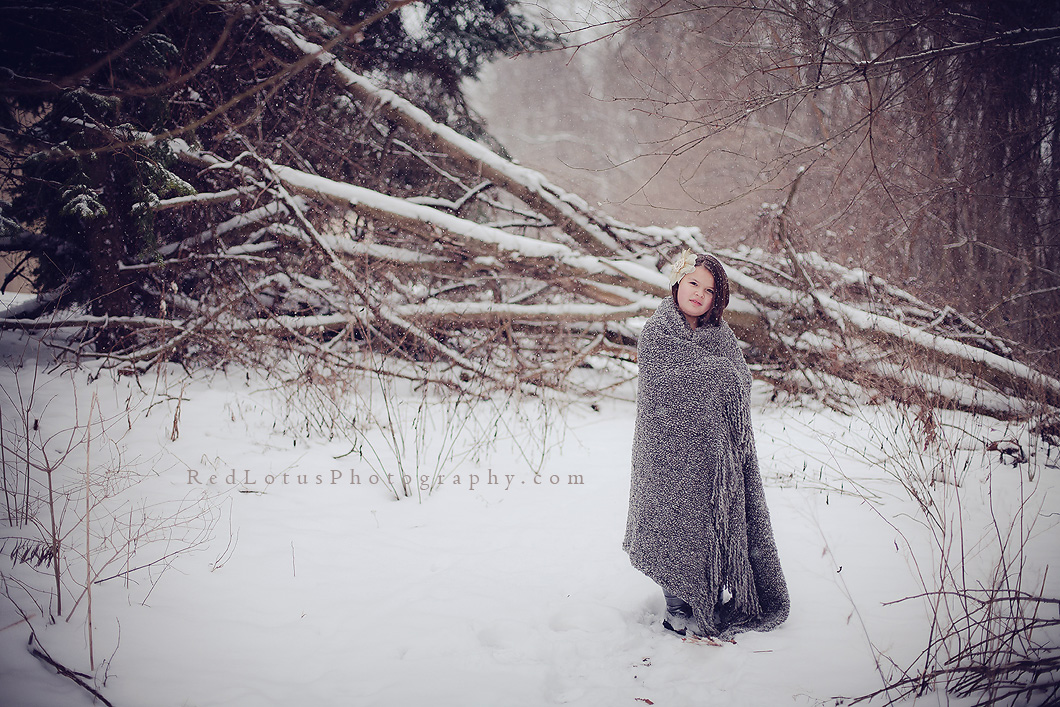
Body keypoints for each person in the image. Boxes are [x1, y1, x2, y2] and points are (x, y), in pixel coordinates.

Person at [623, 249, 789, 639]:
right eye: (693, 283)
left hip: (716, 456)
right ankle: (677, 610)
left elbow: (740, 381)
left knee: (709, 527)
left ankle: (709, 596)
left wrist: (716, 377)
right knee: (672, 526)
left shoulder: (722, 337)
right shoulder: (658, 332)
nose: (699, 294)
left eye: (710, 290)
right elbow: (665, 384)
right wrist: (715, 375)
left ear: (718, 299)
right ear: (678, 283)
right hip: (665, 453)